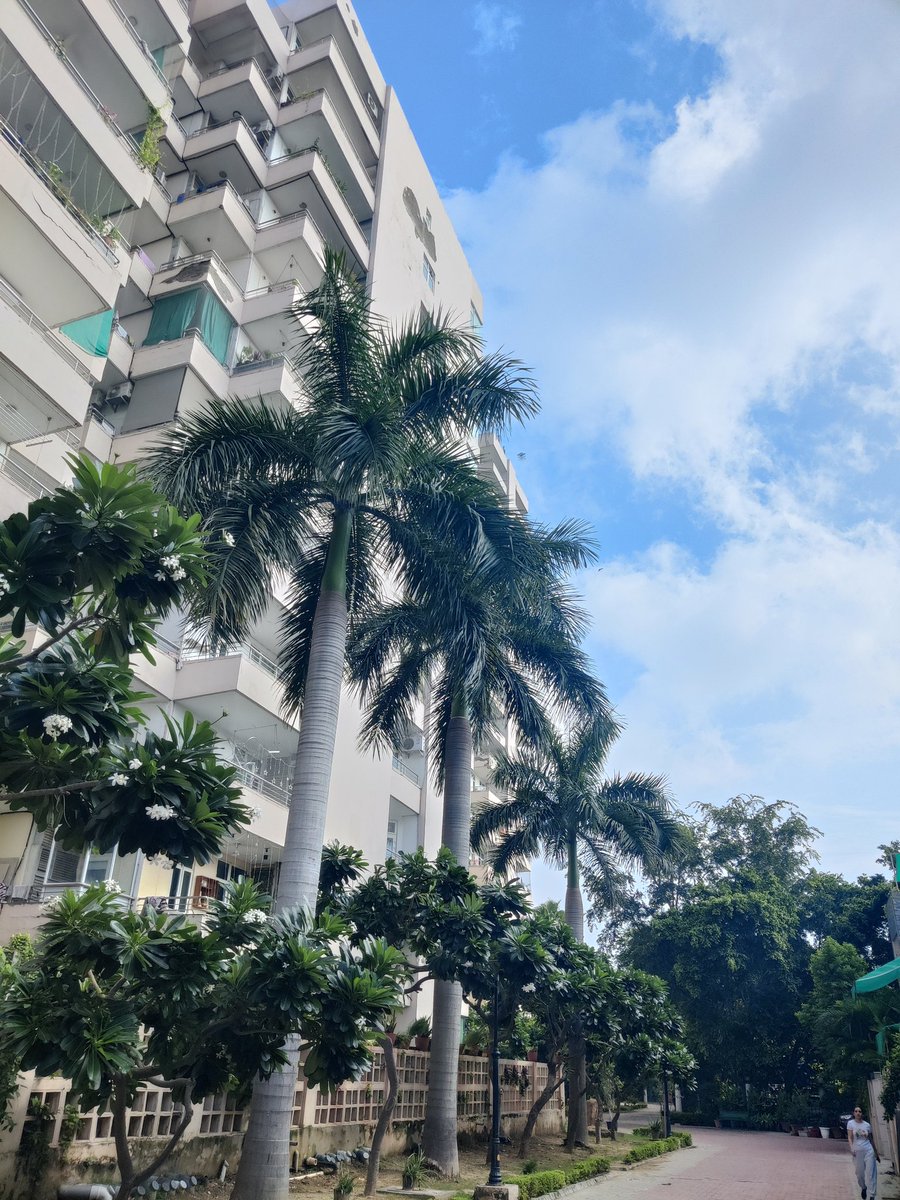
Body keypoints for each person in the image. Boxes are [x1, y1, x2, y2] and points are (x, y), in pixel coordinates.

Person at [847, 1106, 879, 1200]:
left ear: (862, 1113)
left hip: (868, 1150)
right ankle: (863, 1187)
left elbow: (871, 1139)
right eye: (856, 1111)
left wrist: (876, 1153)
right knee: (859, 1173)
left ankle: (872, 1195)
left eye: (860, 1111)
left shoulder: (867, 1125)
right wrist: (851, 1148)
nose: (858, 1113)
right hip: (857, 1151)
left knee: (871, 1173)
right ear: (854, 1113)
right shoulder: (850, 1123)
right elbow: (849, 1137)